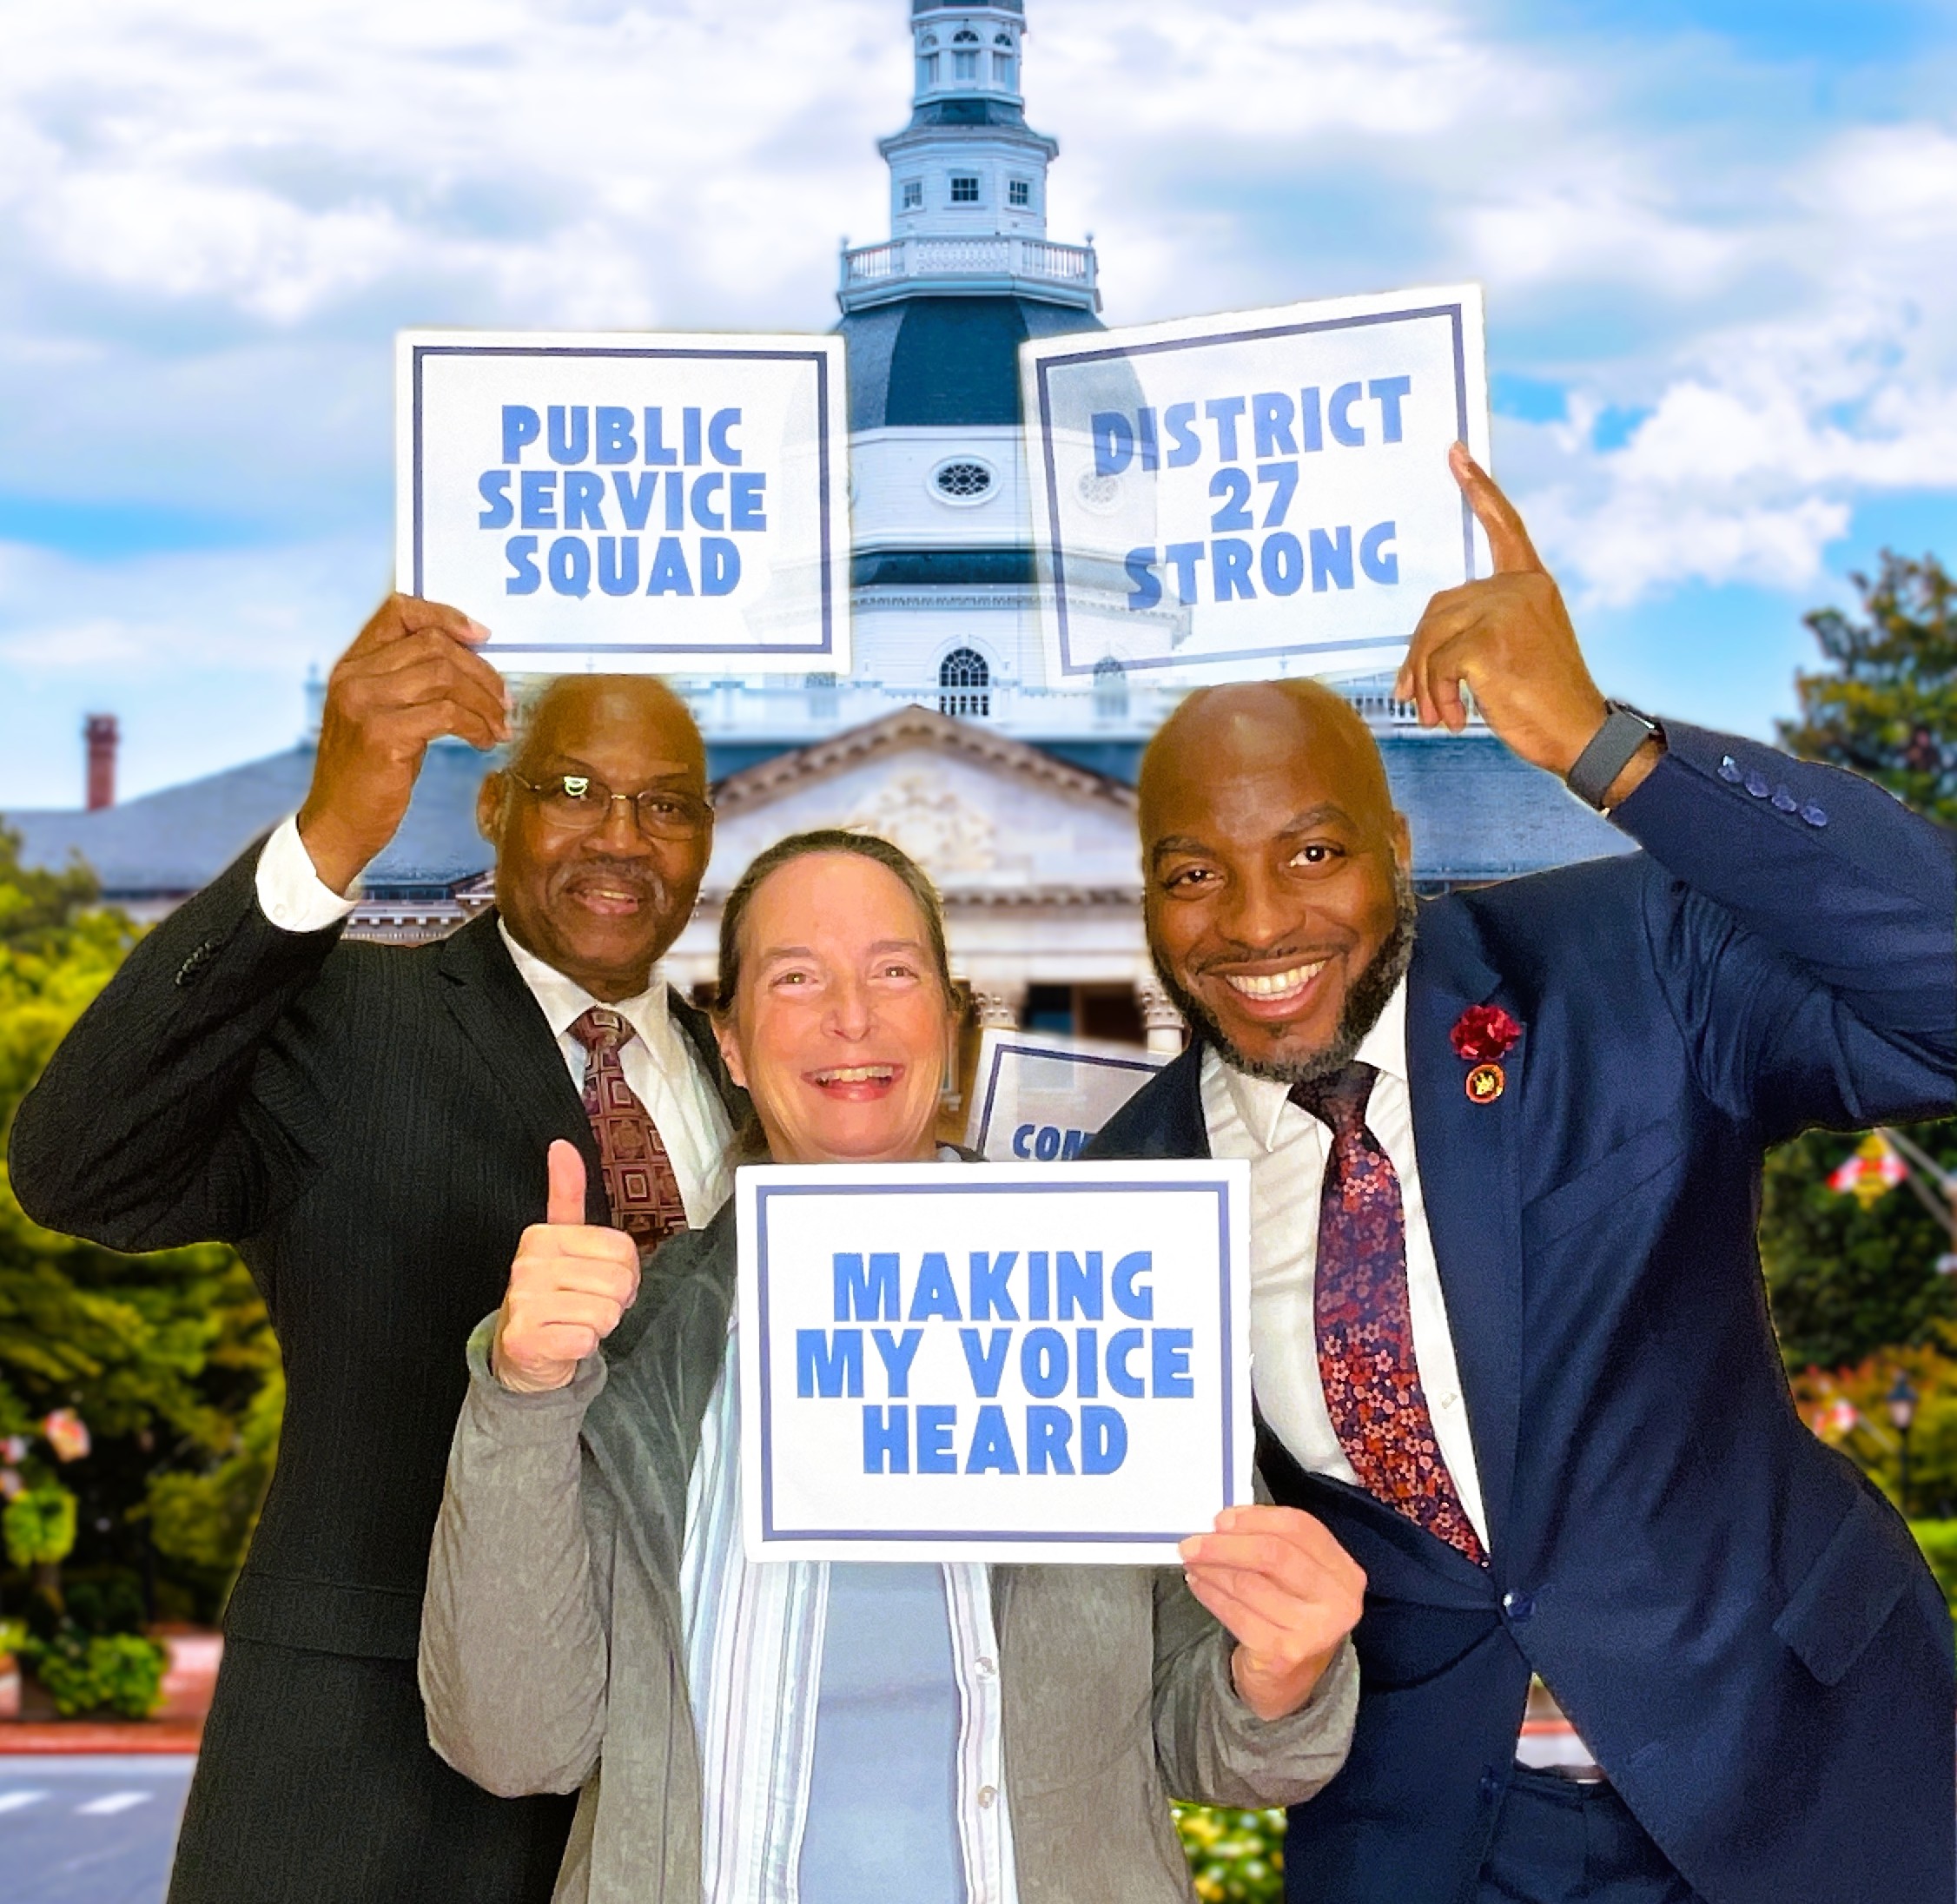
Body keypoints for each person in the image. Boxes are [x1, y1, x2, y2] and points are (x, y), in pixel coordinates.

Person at [1088, 446, 1957, 1904]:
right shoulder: (1129, 1183)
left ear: (1396, 849)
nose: (1255, 921)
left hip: (1796, 1772)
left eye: (1311, 851)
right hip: (1430, 1837)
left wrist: (1605, 748)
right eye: (1192, 874)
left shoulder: (1622, 962)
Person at [419, 828, 1366, 1904]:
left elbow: (1228, 1748)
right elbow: (513, 1743)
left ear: (951, 1025)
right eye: (795, 977)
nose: (851, 1016)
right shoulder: (627, 1341)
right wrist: (525, 1393)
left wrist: (1281, 1664)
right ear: (730, 1044)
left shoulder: (1105, 1296)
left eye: (894, 971)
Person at [8, 597, 745, 1904]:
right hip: (370, 1796)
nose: (621, 836)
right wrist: (333, 835)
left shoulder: (759, 1100)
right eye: (573, 789)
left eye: (666, 804)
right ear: (494, 806)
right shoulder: (347, 1019)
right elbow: (81, 1169)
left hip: (687, 1795)